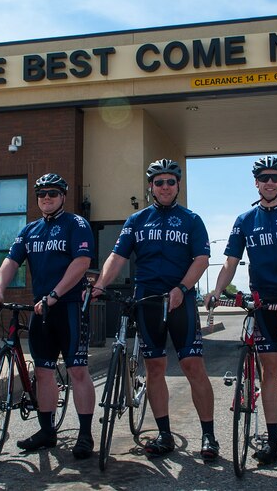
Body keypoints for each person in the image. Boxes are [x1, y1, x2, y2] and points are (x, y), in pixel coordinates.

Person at [92, 158, 219, 461]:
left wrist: (182, 288)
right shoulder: (136, 220)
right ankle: (163, 434)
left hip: (180, 299)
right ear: (150, 186)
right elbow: (117, 257)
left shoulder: (191, 219)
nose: (165, 187)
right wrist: (99, 285)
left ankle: (209, 436)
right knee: (155, 369)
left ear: (178, 186)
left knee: (193, 367)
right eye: (159, 182)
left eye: (170, 182)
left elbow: (201, 260)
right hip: (146, 300)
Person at [208, 155, 277, 467]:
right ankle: (272, 442)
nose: (270, 182)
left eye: (276, 177)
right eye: (264, 177)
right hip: (262, 302)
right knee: (270, 370)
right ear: (256, 182)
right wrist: (217, 290)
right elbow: (231, 261)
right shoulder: (245, 220)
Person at [0, 173, 97, 459]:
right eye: (42, 194)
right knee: (44, 372)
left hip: (68, 307)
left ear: (62, 196)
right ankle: (47, 432)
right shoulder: (29, 230)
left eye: (53, 193)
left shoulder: (76, 224)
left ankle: (85, 435)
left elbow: (82, 262)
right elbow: (10, 262)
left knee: (77, 371)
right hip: (40, 310)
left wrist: (56, 295)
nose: (47, 198)